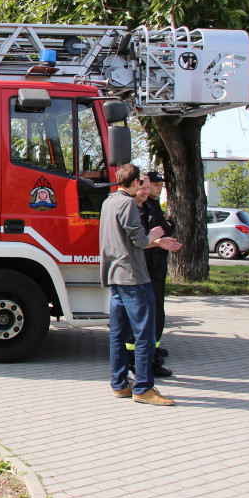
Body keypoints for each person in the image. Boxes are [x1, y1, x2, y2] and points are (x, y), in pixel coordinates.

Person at [99, 163, 181, 406]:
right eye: (141, 183)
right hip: (133, 276)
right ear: (134, 183)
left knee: (118, 332)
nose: (142, 188)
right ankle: (144, 387)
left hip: (114, 274)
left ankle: (120, 383)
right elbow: (139, 240)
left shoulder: (108, 202)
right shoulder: (127, 204)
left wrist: (154, 242)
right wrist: (155, 237)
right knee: (144, 333)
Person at [142, 170, 174, 375]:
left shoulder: (152, 205)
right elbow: (161, 231)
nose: (158, 187)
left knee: (156, 309)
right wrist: (169, 225)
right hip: (151, 265)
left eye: (160, 184)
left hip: (155, 264)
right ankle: (151, 356)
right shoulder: (147, 207)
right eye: (154, 184)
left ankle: (153, 349)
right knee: (154, 310)